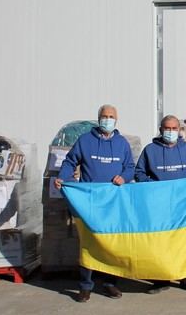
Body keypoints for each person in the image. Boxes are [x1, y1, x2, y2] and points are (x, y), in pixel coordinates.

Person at [55, 104, 135, 303]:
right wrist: (63, 177)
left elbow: (130, 167)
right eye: (104, 116)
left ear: (116, 120)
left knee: (112, 243)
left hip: (114, 202)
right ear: (98, 118)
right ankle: (85, 286)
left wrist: (124, 177)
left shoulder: (122, 143)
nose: (107, 119)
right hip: (90, 203)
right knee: (88, 244)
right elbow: (70, 161)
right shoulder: (85, 141)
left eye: (111, 116)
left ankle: (110, 283)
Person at [134, 114, 186, 295]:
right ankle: (160, 280)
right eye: (167, 128)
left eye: (174, 128)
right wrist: (152, 187)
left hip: (183, 206)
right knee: (159, 242)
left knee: (185, 241)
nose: (170, 132)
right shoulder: (150, 150)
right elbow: (139, 173)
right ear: (161, 130)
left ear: (179, 130)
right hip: (158, 206)